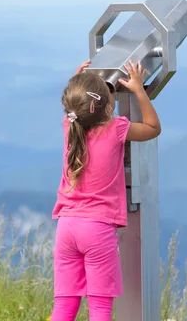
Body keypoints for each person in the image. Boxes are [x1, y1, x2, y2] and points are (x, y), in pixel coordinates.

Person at [50, 58, 162, 321]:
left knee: (64, 307)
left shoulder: (70, 126)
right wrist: (138, 90)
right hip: (97, 230)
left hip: (66, 227)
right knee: (100, 309)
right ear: (106, 106)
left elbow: (75, 107)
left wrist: (75, 81)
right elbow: (152, 128)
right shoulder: (116, 128)